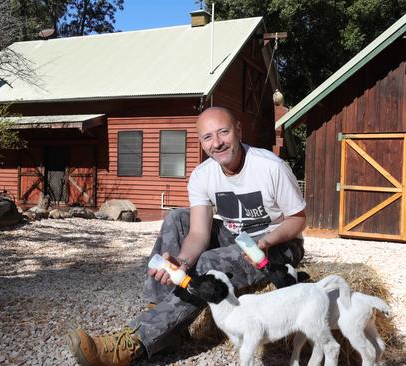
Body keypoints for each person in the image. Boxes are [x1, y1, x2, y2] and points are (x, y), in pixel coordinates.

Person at [66, 106, 307, 366]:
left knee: (209, 265)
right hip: (236, 238)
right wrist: (181, 261)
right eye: (207, 137)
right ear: (201, 142)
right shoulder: (203, 175)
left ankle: (136, 342)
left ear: (238, 129)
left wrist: (267, 241)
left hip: (277, 243)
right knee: (177, 218)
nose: (216, 143)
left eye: (223, 132)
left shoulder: (270, 167)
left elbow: (299, 219)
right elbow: (199, 232)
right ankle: (162, 323)